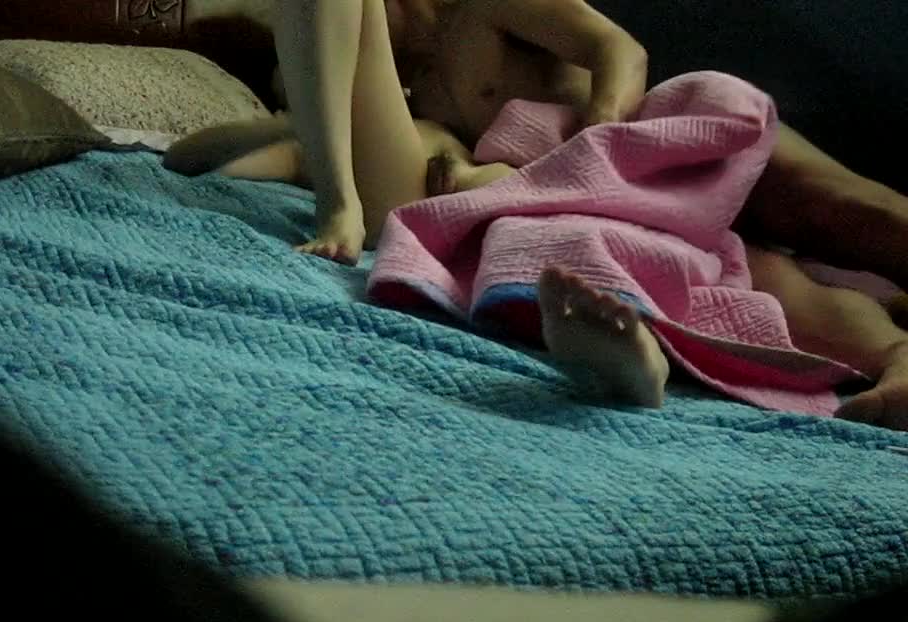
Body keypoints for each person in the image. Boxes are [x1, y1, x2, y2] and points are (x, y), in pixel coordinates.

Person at [162, 0, 908, 430]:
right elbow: (195, 155)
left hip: (651, 148)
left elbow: (619, 50)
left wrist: (602, 144)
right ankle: (896, 363)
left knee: (843, 209)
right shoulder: (419, 103)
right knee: (772, 285)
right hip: (599, 214)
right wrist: (289, 116)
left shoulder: (480, 8)